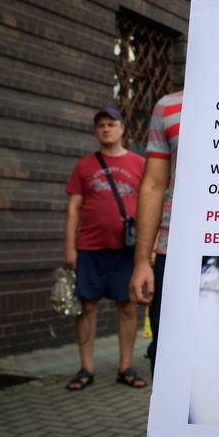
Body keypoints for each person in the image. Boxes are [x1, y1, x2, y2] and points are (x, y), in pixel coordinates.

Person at [128, 89, 191, 437]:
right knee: (170, 374)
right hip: (175, 255)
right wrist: (143, 261)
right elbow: (152, 184)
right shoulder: (169, 106)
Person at [63, 106, 146, 391]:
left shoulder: (139, 163)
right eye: (101, 125)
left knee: (127, 307)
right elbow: (73, 208)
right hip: (89, 247)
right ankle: (86, 368)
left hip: (127, 249)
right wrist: (70, 248)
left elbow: (150, 202)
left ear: (122, 128)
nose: (106, 129)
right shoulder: (84, 166)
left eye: (111, 124)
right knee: (86, 308)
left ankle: (125, 367)